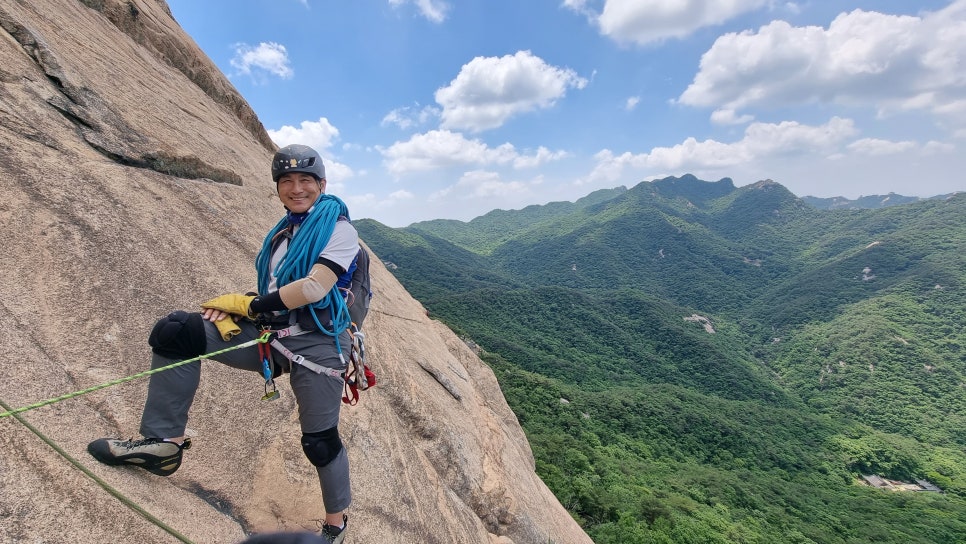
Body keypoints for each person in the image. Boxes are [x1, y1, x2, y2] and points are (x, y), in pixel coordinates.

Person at [88, 144, 357, 544]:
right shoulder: (284, 233)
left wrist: (248, 304)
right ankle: (164, 444)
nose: (296, 188)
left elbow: (316, 287)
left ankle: (335, 525)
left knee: (319, 441)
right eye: (287, 181)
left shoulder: (340, 229)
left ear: (322, 184)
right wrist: (245, 312)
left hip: (319, 343)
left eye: (305, 181)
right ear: (278, 187)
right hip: (270, 333)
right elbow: (276, 290)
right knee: (177, 331)